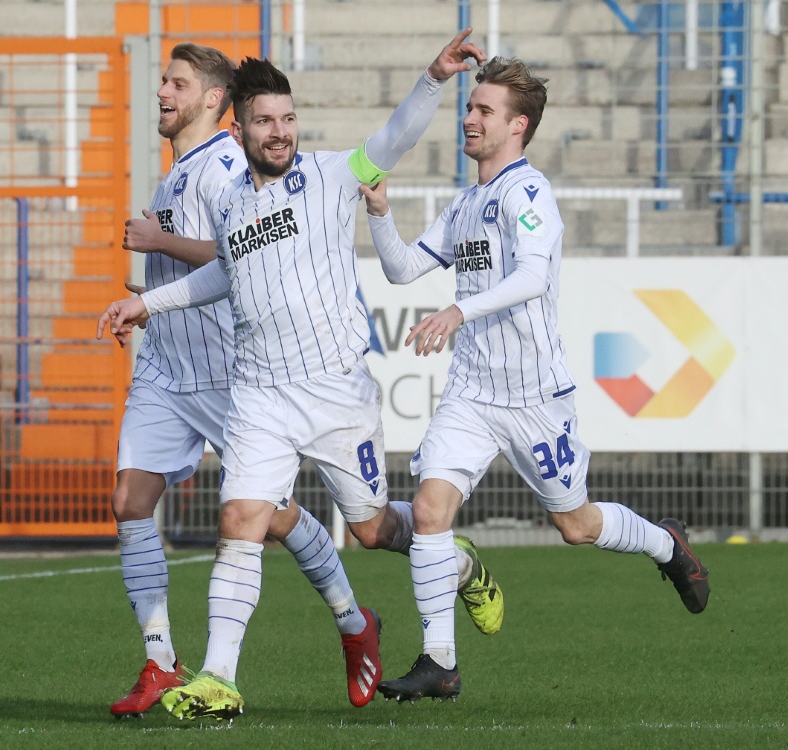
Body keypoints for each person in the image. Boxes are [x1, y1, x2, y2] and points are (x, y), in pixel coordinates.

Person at [97, 30, 498, 723]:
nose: (278, 133)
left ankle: (449, 556)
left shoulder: (330, 174)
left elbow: (395, 137)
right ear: (242, 128)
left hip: (336, 393)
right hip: (258, 393)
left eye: (286, 120)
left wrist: (433, 78)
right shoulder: (232, 205)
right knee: (240, 520)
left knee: (372, 531)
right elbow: (223, 273)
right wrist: (146, 301)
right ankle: (218, 679)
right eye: (265, 122)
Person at [358, 57, 711, 704]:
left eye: (483, 110)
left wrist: (459, 308)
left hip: (532, 396)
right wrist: (379, 213)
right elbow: (403, 270)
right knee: (433, 509)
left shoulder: (527, 194)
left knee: (574, 526)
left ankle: (665, 544)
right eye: (468, 106)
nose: (468, 117)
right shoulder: (463, 203)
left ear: (516, 126)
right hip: (471, 392)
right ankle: (440, 660)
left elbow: (531, 278)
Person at [106, 42, 382, 719]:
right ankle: (161, 663)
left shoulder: (230, 164)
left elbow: (235, 256)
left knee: (275, 520)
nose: (162, 93)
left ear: (210, 99)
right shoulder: (173, 175)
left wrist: (160, 247)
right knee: (129, 501)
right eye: (162, 81)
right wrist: (147, 298)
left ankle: (353, 623)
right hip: (167, 369)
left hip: (232, 373)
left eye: (175, 83)